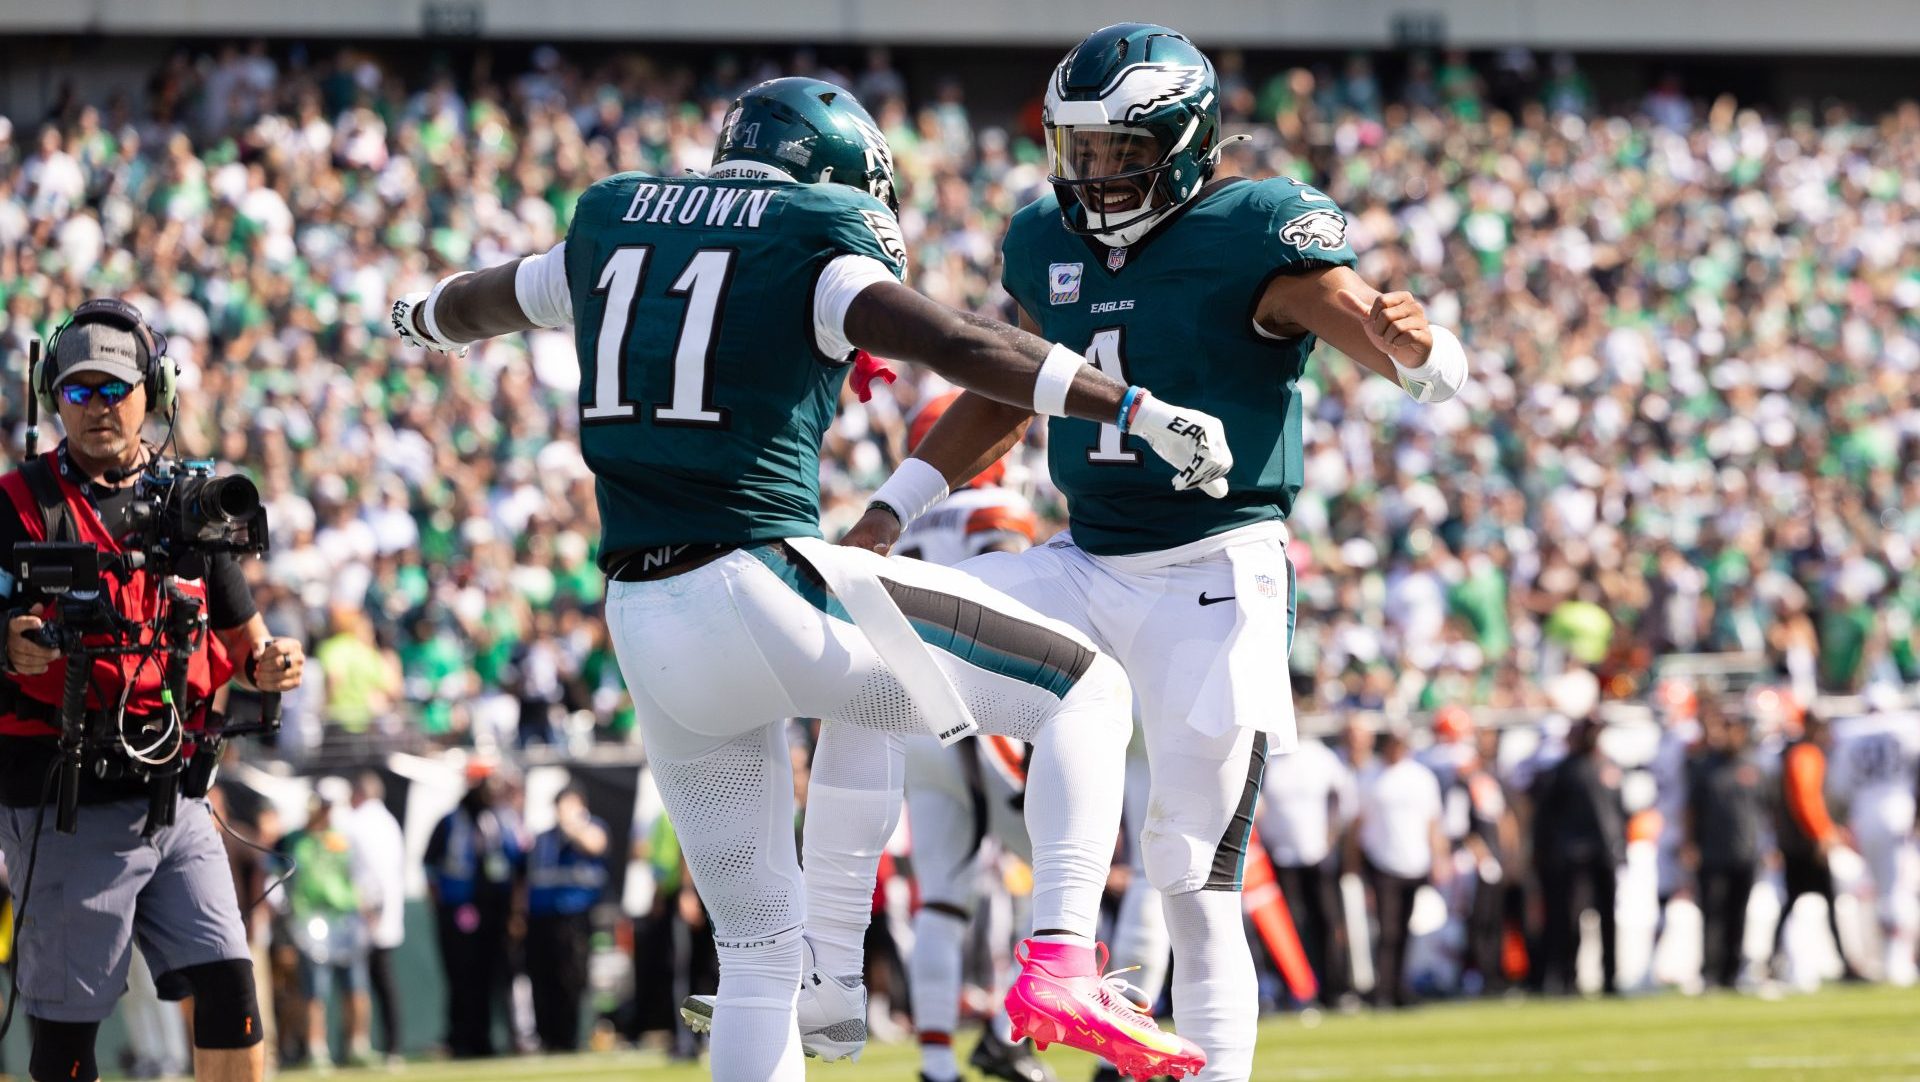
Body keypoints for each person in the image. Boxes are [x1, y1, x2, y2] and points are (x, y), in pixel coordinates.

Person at [391, 76, 1226, 1082]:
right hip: (756, 580)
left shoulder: (614, 224)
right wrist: (1130, 406)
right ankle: (1058, 961)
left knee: (754, 949)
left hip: (643, 616)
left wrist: (417, 316)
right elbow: (961, 342)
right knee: (1084, 687)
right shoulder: (809, 237)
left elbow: (482, 299)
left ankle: (828, 971)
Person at [844, 22, 1467, 1079]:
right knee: (874, 619)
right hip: (1086, 559)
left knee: (1193, 879)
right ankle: (832, 943)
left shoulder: (1253, 228)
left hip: (1213, 574)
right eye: (1079, 148)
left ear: (1185, 144)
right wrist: (888, 515)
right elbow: (1006, 386)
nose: (1094, 172)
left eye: (1119, 150)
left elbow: (1394, 346)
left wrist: (1424, 350)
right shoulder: (1045, 238)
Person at [0, 298, 304, 1082]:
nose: (98, 407)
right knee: (68, 1036)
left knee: (232, 992)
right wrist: (8, 647)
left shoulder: (194, 505)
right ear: (53, 397)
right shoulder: (15, 505)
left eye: (116, 389)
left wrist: (273, 664)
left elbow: (246, 643)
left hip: (177, 798)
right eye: (79, 391)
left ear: (154, 393)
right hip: (67, 801)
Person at [891, 392, 1053, 1082]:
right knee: (1063, 870)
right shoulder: (998, 509)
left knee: (940, 897)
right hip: (985, 707)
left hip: (915, 715)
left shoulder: (898, 520)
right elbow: (1013, 609)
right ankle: (1009, 1032)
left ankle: (936, 1062)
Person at [422, 765, 523, 1058]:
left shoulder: (502, 820)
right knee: (460, 975)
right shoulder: (450, 822)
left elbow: (517, 864)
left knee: (490, 975)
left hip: (494, 910)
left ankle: (486, 1037)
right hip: (459, 910)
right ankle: (460, 1037)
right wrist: (441, 905)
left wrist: (514, 911)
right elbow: (430, 866)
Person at [275, 783, 374, 1070]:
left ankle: (358, 1044)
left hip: (344, 917)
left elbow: (358, 875)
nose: (326, 813)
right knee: (314, 990)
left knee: (356, 985)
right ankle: (316, 1047)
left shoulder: (343, 838)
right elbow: (273, 871)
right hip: (310, 919)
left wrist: (365, 910)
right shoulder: (293, 840)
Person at [1253, 734, 1356, 1008]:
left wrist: (1332, 836)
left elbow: (1343, 795)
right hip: (1280, 857)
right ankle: (1297, 990)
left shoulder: (1317, 754)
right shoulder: (1268, 758)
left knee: (1328, 921)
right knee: (1289, 927)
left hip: (1317, 853)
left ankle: (1336, 988)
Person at [1828, 690, 1920, 987]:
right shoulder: (1906, 728)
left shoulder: (1850, 734)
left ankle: (1893, 958)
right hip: (1899, 809)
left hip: (1865, 813)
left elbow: (1838, 787)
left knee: (1884, 890)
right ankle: (1899, 961)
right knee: (1899, 889)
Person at [1351, 730, 1449, 1008]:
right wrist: (1353, 864)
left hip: (1415, 862)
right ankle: (1384, 987)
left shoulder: (1421, 777)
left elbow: (1433, 822)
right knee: (1388, 929)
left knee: (1406, 928)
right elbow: (1358, 824)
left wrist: (1439, 858)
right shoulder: (1370, 777)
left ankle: (1399, 986)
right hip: (1382, 861)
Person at [1530, 718, 1625, 995]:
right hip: (1571, 855)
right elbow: (1545, 818)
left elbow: (1619, 813)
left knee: (1607, 918)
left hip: (1604, 852)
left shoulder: (1608, 767)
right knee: (1568, 919)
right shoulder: (1563, 771)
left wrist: (1619, 848)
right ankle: (1567, 978)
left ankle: (1610, 978)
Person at [1685, 705, 1766, 990]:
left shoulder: (1752, 766)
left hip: (1746, 851)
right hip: (1713, 852)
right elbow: (1691, 810)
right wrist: (1690, 844)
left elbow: (1764, 809)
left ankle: (1733, 973)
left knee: (1738, 914)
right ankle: (1710, 973)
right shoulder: (1705, 766)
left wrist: (1767, 846)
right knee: (1713, 914)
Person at [525, 786, 609, 1052]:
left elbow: (596, 845)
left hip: (574, 915)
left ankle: (570, 1037)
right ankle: (547, 1037)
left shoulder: (592, 829)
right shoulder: (544, 838)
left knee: (571, 977)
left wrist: (573, 826)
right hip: (542, 915)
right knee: (543, 977)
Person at [345, 772, 408, 1062]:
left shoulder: (361, 822)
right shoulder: (389, 820)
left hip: (369, 912)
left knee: (372, 981)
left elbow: (372, 870)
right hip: (383, 910)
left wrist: (372, 908)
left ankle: (378, 1044)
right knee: (382, 981)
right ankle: (390, 1044)